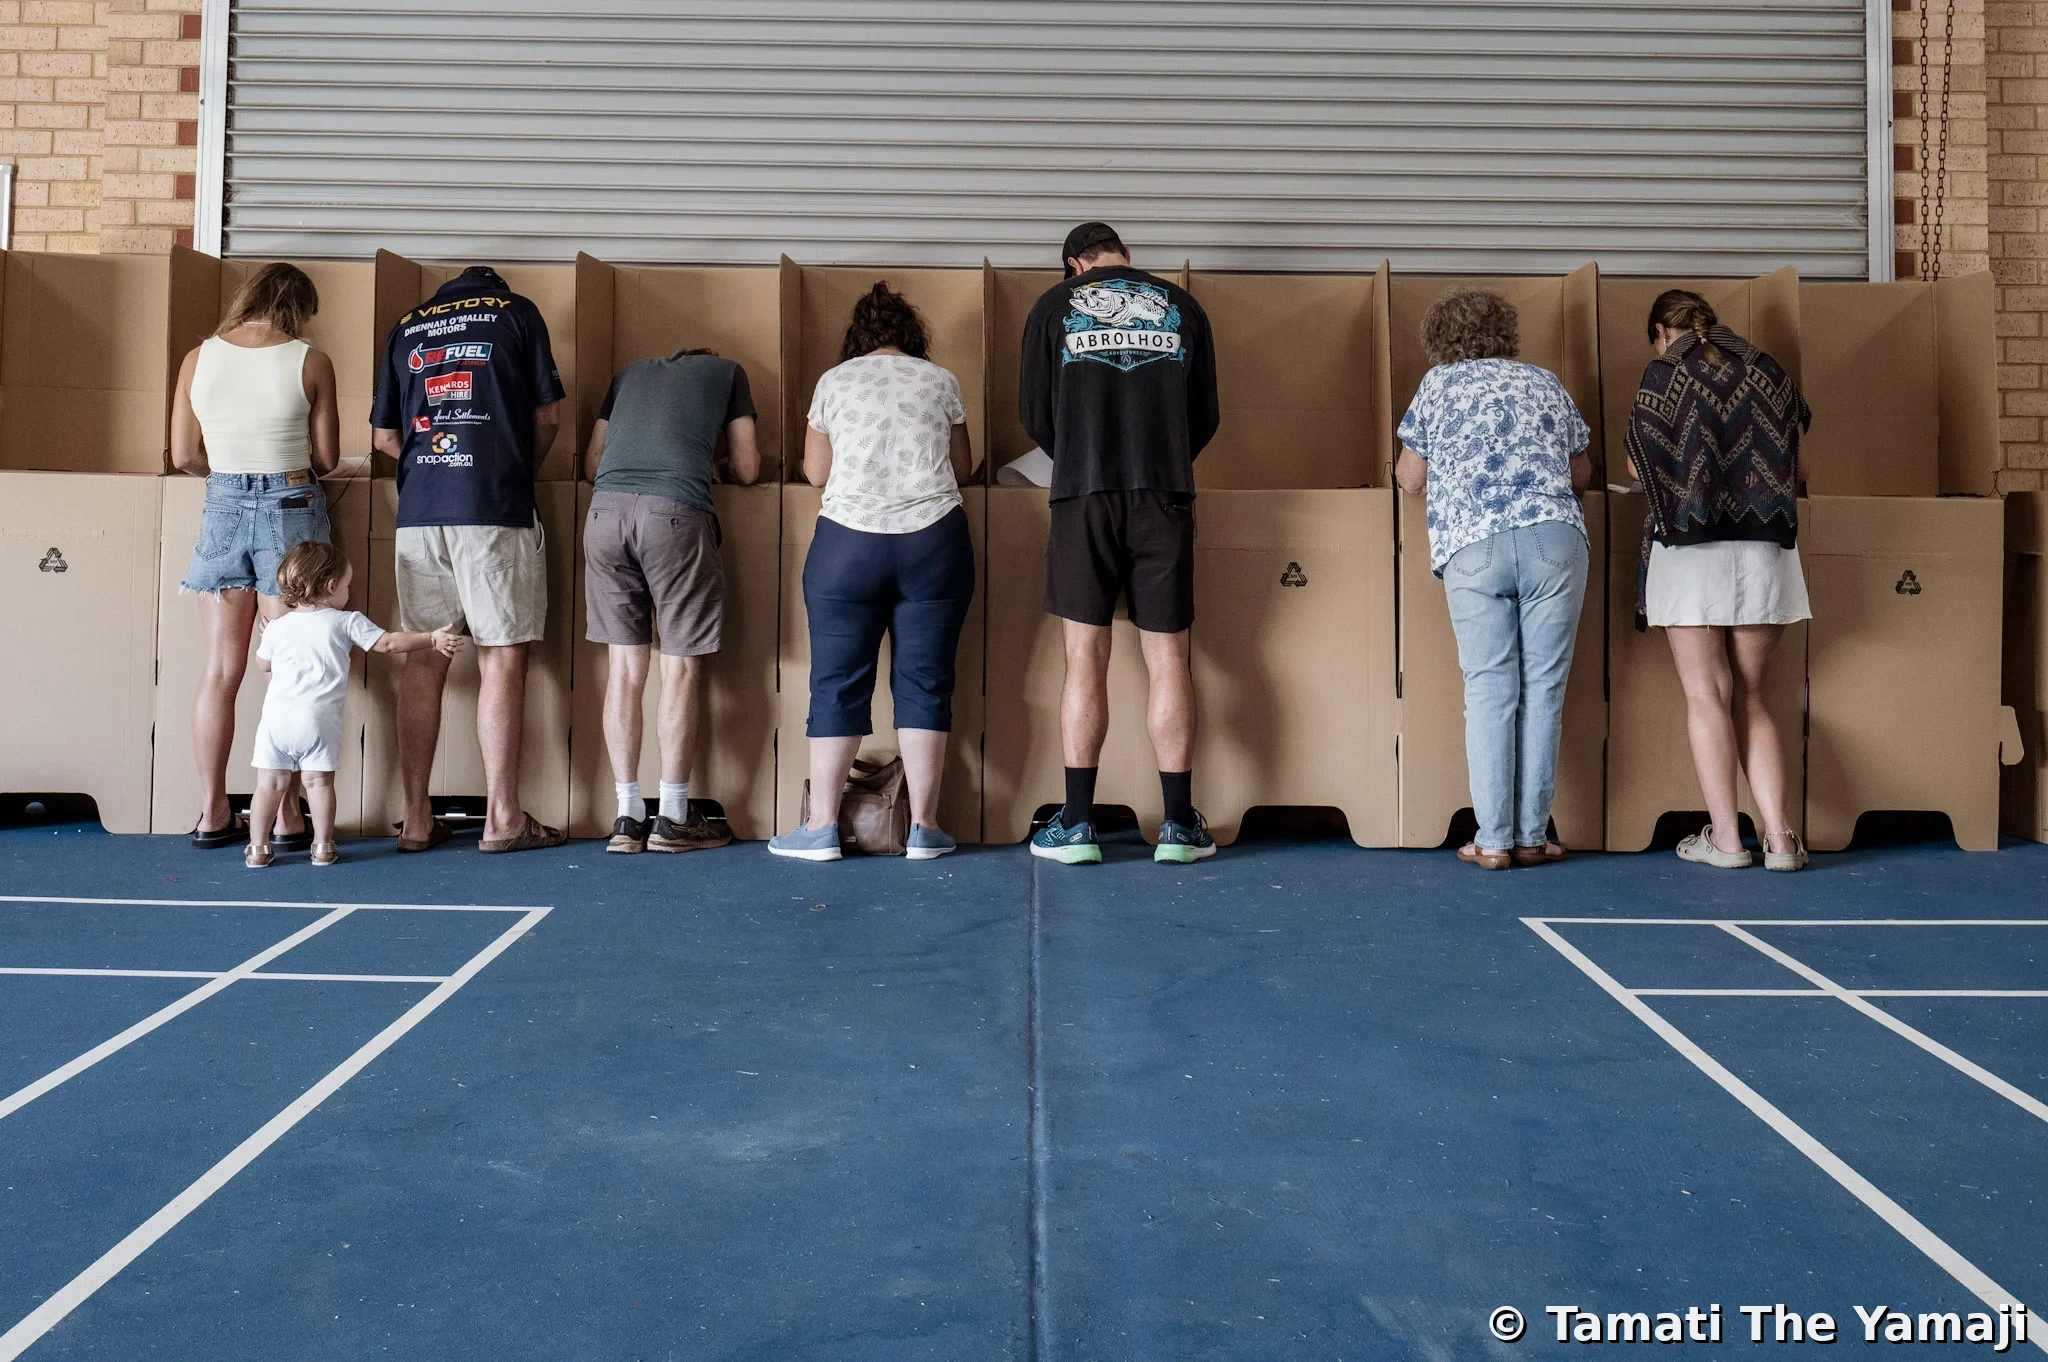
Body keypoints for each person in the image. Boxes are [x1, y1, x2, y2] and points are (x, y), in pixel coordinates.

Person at [1018, 221, 1219, 865]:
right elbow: (1206, 412)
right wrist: (1164, 460)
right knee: (1169, 659)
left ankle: (1077, 825)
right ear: (1124, 257)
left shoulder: (1052, 307)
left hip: (1083, 495)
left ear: (1073, 264)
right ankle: (1179, 827)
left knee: (1085, 658)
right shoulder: (1183, 306)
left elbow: (1034, 411)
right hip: (1165, 494)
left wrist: (1078, 453)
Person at [767, 283, 976, 863]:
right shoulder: (941, 380)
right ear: (912, 336)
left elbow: (814, 473)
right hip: (934, 540)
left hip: (847, 546)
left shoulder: (834, 382)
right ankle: (926, 828)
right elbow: (963, 466)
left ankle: (821, 828)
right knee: (926, 682)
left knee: (836, 683)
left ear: (857, 339)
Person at [370, 265, 567, 854]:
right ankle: (503, 818)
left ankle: (416, 817)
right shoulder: (519, 313)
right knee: (502, 658)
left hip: (419, 513)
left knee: (425, 661)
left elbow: (383, 436)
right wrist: (514, 474)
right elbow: (548, 416)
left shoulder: (406, 326)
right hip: (493, 506)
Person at [1395, 290, 1593, 870]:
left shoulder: (1436, 386)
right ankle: (1534, 837)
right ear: (1505, 333)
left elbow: (1411, 478)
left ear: (1440, 339)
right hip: (1553, 539)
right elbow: (1581, 470)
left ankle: (1493, 840)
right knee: (1544, 689)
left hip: (1474, 544)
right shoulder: (1545, 382)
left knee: (1489, 689)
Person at [1626, 290, 1813, 872]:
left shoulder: (1664, 373)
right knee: (1753, 696)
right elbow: (1799, 466)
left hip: (1690, 550)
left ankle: (1728, 841)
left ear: (1662, 329)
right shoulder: (1767, 367)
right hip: (1765, 550)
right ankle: (1780, 841)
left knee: (1707, 696)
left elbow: (1638, 465)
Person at [170, 262, 343, 854]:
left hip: (221, 502)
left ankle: (213, 812)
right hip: (290, 504)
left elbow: (184, 453)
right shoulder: (309, 360)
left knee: (221, 671)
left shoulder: (199, 358)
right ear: (298, 309)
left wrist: (229, 477)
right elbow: (326, 457)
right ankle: (290, 815)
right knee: (287, 668)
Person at [584, 347, 762, 854]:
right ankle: (675, 817)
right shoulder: (729, 371)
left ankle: (626, 815)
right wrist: (711, 456)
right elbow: (748, 466)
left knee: (624, 670)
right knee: (679, 668)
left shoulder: (626, 371)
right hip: (676, 515)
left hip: (603, 518)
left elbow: (594, 463)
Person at [245, 542, 462, 868]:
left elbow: (263, 665)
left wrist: (270, 636)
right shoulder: (345, 621)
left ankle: (259, 848)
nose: (348, 592)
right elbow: (388, 643)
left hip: (276, 721)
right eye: (347, 585)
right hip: (317, 721)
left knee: (269, 785)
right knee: (318, 784)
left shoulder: (277, 626)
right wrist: (431, 639)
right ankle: (322, 845)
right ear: (332, 586)